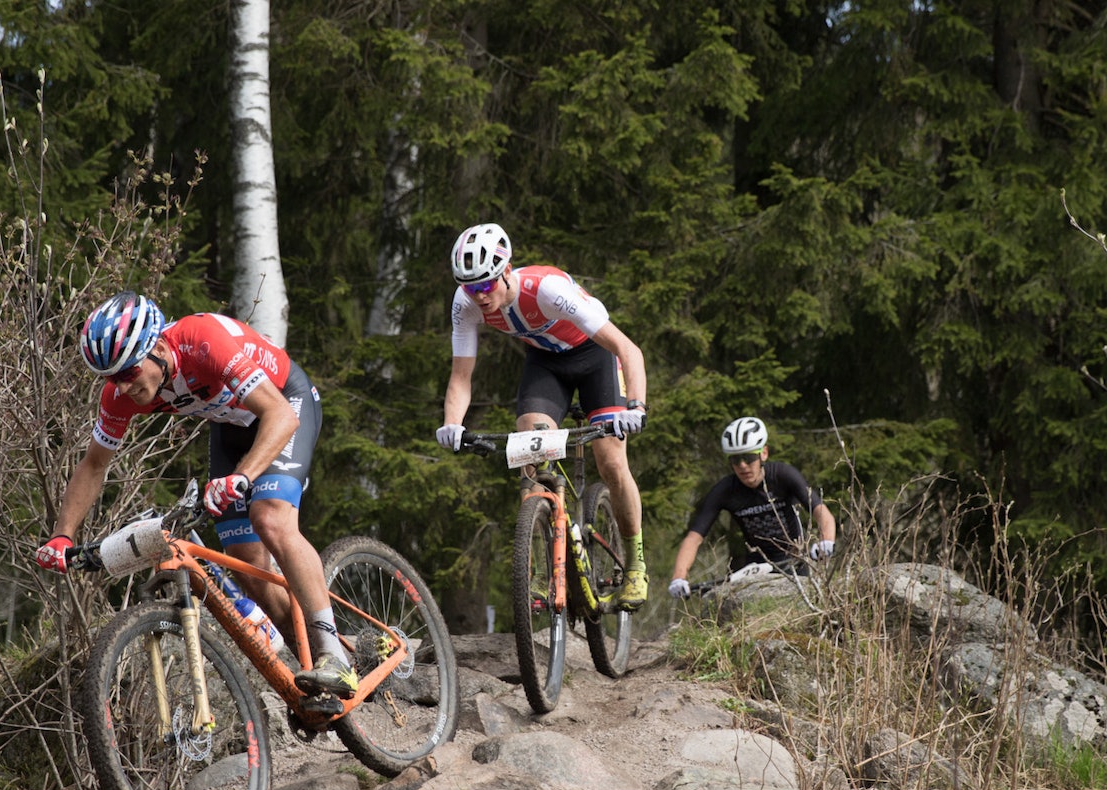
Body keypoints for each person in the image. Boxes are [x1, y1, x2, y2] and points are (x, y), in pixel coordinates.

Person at [35, 291, 357, 698]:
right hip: (231, 428)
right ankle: (315, 671)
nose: (122, 386)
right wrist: (62, 534)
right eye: (111, 378)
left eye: (128, 372)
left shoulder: (203, 341)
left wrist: (241, 477)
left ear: (157, 347)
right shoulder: (120, 394)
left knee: (270, 518)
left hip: (283, 404)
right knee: (247, 566)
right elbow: (94, 464)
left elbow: (280, 415)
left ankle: (333, 656)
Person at [435, 223, 651, 610]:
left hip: (595, 357)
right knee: (530, 455)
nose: (480, 297)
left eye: (486, 286)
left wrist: (636, 407)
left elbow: (627, 348)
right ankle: (538, 567)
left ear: (506, 271)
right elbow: (461, 376)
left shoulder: (546, 290)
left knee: (611, 460)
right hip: (546, 364)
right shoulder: (465, 302)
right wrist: (453, 424)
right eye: (470, 288)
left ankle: (636, 565)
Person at [668, 416, 837, 598]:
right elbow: (694, 538)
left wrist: (826, 540)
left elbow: (821, 512)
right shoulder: (725, 490)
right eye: (735, 459)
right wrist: (679, 577)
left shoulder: (783, 475)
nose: (742, 466)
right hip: (757, 567)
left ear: (763, 453)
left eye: (748, 457)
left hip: (795, 562)